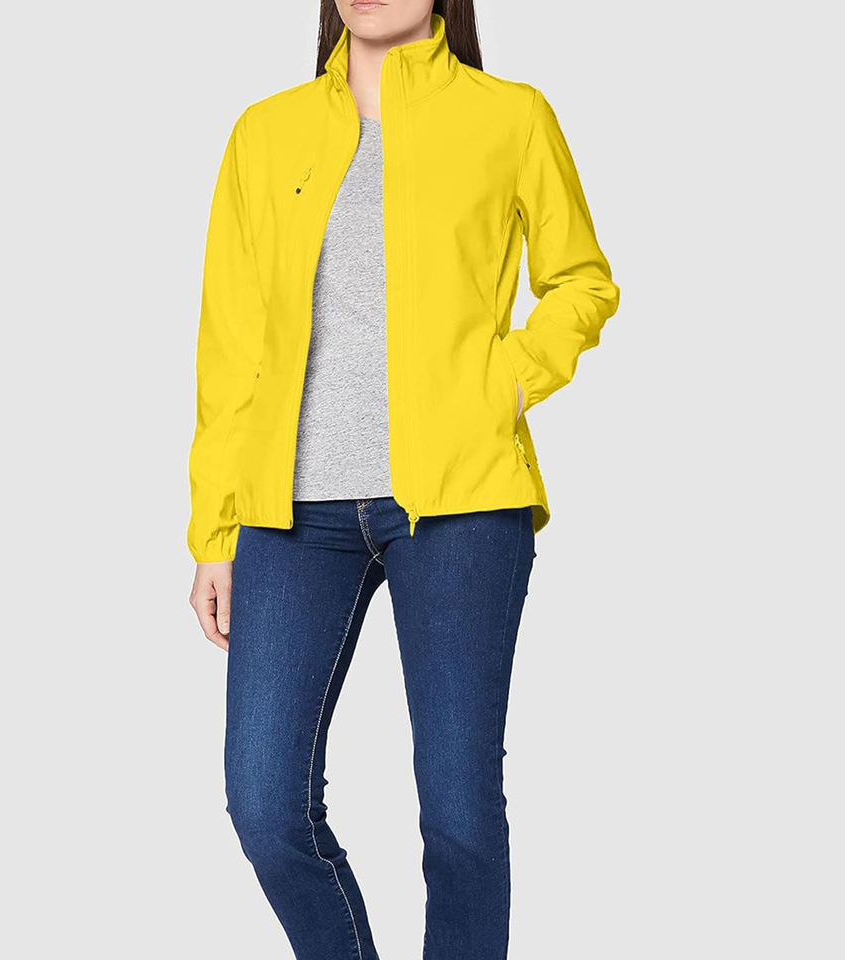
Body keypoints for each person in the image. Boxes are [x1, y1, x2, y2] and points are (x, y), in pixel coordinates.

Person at [187, 1, 619, 957]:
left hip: (463, 504)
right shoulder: (266, 131)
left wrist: (503, 382)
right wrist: (214, 534)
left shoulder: (511, 116)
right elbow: (230, 346)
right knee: (263, 801)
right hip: (290, 511)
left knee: (459, 812)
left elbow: (582, 281)